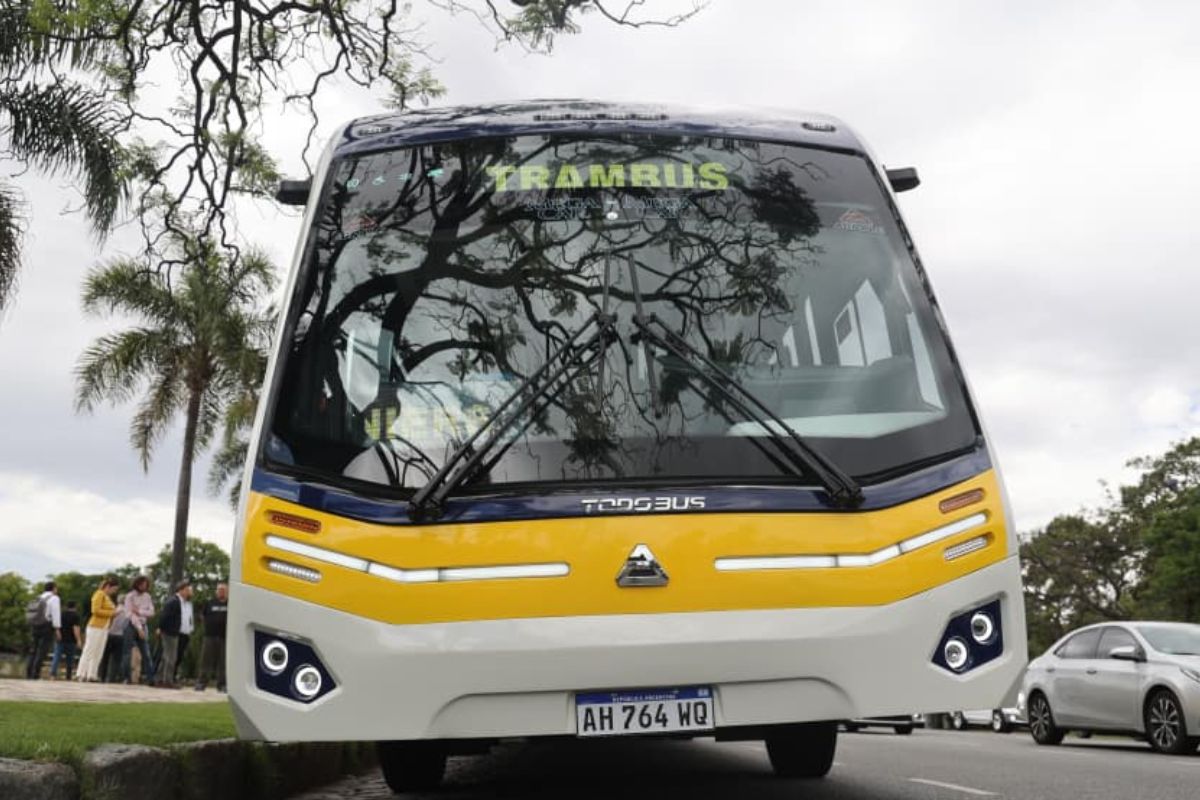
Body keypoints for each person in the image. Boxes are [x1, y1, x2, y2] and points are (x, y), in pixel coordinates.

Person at [76, 577, 118, 682]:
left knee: (98, 652)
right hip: (95, 626)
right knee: (89, 650)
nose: (114, 592)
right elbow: (95, 610)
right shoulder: (99, 594)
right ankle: (81, 673)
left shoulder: (107, 598)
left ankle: (92, 674)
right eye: (114, 589)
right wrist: (112, 613)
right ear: (108, 587)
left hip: (104, 627)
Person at [156, 579, 194, 688]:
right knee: (171, 657)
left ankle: (159, 679)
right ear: (181, 590)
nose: (188, 592)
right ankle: (167, 681)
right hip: (170, 632)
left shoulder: (182, 602)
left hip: (174, 632)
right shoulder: (174, 601)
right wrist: (161, 628)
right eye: (187, 590)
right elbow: (164, 616)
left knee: (166, 657)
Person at [121, 575, 156, 685]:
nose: (144, 586)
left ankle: (151, 679)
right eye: (142, 584)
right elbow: (130, 614)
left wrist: (140, 611)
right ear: (136, 584)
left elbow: (152, 613)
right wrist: (139, 628)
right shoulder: (129, 596)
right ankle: (127, 678)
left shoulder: (147, 597)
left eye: (146, 584)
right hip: (131, 625)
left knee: (146, 652)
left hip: (143, 623)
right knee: (127, 652)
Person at [194, 582, 228, 692]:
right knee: (205, 661)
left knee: (223, 662)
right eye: (219, 590)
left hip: (224, 638)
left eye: (223, 590)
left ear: (227, 592)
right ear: (216, 592)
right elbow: (201, 616)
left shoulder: (231, 604)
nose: (221, 591)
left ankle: (222, 684)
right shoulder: (210, 603)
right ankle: (201, 683)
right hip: (209, 637)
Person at [24, 581, 60, 679]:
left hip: (35, 625)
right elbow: (55, 613)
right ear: (53, 588)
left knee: (33, 650)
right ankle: (36, 673)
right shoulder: (54, 598)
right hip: (46, 625)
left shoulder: (38, 597)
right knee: (42, 650)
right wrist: (57, 628)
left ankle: (29, 672)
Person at [49, 600, 82, 679]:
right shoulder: (75, 616)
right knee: (70, 659)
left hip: (60, 639)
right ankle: (68, 676)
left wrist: (58, 635)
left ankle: (53, 674)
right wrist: (78, 640)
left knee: (56, 657)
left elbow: (56, 626)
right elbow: (75, 628)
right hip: (71, 640)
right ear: (75, 607)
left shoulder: (61, 614)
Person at [100, 595, 129, 683]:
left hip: (110, 634)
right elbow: (126, 625)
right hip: (120, 636)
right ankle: (112, 677)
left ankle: (102, 676)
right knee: (116, 659)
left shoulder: (114, 610)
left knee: (105, 657)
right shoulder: (127, 612)